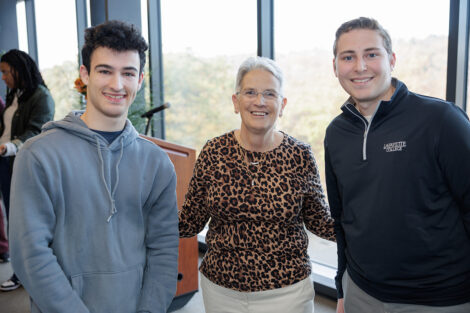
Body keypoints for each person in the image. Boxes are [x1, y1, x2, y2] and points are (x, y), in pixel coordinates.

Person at [9, 20, 179, 313]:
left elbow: (163, 248)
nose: (116, 84)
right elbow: (30, 254)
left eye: (128, 73)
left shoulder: (157, 162)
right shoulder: (39, 155)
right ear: (85, 74)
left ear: (140, 80)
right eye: (105, 71)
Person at [325, 17, 470, 313]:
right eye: (348, 57)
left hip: (439, 299)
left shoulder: (441, 120)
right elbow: (342, 221)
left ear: (391, 59)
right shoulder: (336, 133)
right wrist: (343, 289)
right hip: (361, 293)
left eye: (371, 54)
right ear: (336, 66)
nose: (360, 67)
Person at [179, 56, 335, 313]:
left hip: (288, 292)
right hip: (221, 291)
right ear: (236, 101)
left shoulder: (300, 155)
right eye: (250, 92)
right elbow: (190, 222)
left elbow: (320, 221)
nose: (260, 101)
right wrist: (140, 214)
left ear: (282, 104)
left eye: (269, 94)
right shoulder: (214, 152)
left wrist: (370, 222)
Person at [0, 49, 55, 291]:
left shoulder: (41, 96)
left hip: (21, 163)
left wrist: (9, 147)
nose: (2, 77)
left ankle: (28, 272)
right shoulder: (15, 95)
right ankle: (22, 270)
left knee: (25, 220)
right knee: (13, 218)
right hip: (5, 162)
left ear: (18, 69)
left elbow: (37, 131)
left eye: (5, 72)